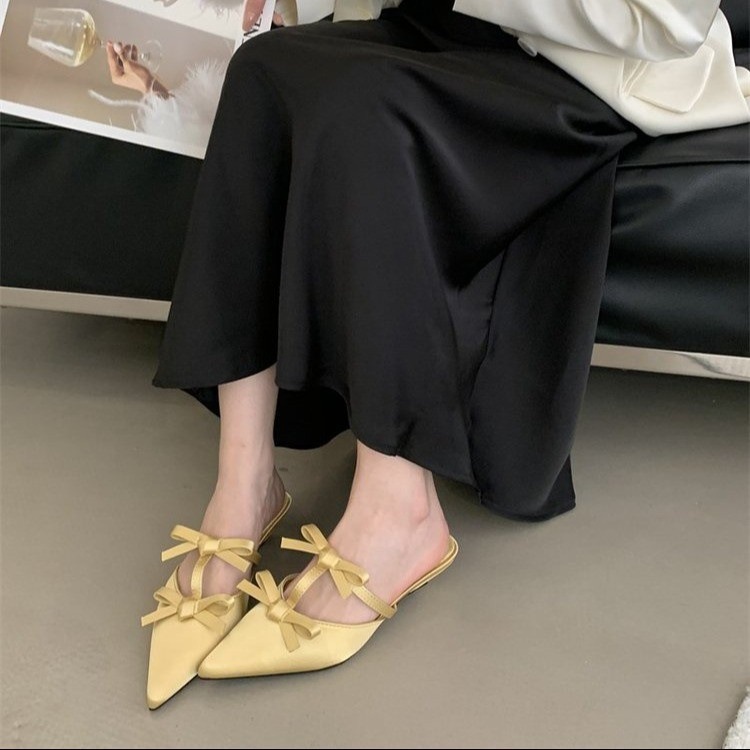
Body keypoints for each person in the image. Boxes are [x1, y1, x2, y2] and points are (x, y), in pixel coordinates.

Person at [141, 0, 750, 709]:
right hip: (443, 33)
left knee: (371, 106)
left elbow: (670, 23)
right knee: (263, 67)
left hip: (584, 67)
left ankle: (398, 512)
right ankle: (243, 488)